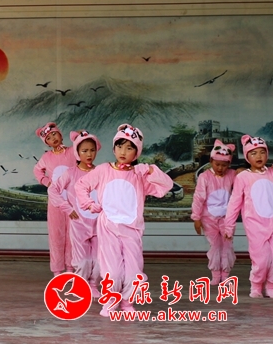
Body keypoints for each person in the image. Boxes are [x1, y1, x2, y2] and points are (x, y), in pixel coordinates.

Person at [75, 124, 173, 316]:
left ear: (136, 153)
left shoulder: (139, 175)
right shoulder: (103, 170)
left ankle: (127, 303)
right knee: (112, 269)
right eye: (120, 146)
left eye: (129, 148)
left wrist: (151, 170)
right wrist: (89, 204)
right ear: (113, 148)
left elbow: (166, 186)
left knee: (134, 270)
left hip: (132, 230)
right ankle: (110, 302)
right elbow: (81, 185)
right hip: (108, 227)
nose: (123, 152)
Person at [224, 135, 273, 298]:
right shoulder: (243, 177)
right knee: (261, 259)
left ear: (267, 154)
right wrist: (229, 226)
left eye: (262, 152)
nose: (259, 156)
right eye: (253, 153)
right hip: (255, 226)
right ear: (247, 157)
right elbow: (234, 203)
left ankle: (271, 286)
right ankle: (256, 286)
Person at [49, 130, 101, 297]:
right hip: (79, 224)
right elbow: (53, 190)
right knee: (82, 260)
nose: (89, 154)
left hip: (99, 224)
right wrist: (67, 208)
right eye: (84, 151)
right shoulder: (71, 173)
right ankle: (80, 286)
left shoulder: (101, 172)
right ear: (77, 153)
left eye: (92, 150)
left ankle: (93, 284)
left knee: (99, 259)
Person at [191, 140, 237, 285]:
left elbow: (243, 180)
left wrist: (243, 170)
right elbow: (198, 197)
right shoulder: (205, 177)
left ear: (229, 164)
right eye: (217, 164)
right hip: (208, 218)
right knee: (215, 245)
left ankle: (226, 274)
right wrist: (196, 217)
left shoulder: (232, 175)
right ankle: (216, 274)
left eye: (224, 165)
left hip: (227, 218)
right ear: (211, 161)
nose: (220, 168)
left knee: (227, 245)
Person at [33, 122, 76, 275]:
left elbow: (88, 150)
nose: (53, 138)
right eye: (49, 138)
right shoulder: (47, 157)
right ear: (47, 143)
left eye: (54, 134)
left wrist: (78, 136)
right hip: (55, 202)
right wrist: (47, 182)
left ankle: (70, 267)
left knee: (72, 234)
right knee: (56, 234)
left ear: (60, 134)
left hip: (73, 200)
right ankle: (57, 270)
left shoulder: (73, 151)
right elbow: (37, 170)